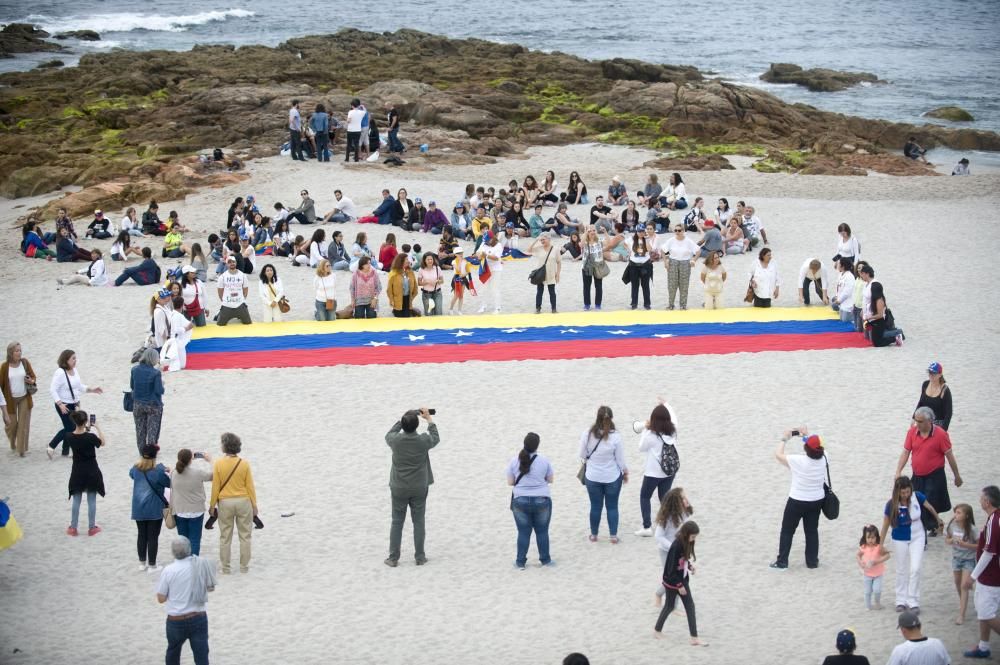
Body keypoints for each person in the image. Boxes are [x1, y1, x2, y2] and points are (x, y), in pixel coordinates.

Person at [384, 408, 440, 567]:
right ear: (416, 426)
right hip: (419, 486)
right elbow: (436, 437)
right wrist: (428, 419)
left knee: (397, 521)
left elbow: (389, 433)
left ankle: (393, 557)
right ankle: (420, 557)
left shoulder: (395, 440)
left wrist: (403, 418)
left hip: (399, 486)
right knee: (419, 521)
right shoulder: (423, 441)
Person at [879, 476, 944, 613]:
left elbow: (930, 507)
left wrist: (938, 519)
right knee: (901, 569)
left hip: (918, 536)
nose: (906, 495)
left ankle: (913, 600)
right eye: (903, 493)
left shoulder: (917, 496)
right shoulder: (891, 504)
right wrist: (881, 544)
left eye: (908, 491)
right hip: (899, 537)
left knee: (915, 568)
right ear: (897, 492)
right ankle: (900, 600)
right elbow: (885, 525)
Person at [896, 406, 962, 536]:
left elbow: (949, 455)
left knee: (929, 501)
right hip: (917, 474)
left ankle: (928, 527)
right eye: (916, 420)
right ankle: (934, 524)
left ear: (930, 421)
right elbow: (905, 452)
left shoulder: (941, 435)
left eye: (920, 421)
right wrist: (898, 470)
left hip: (935, 474)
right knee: (915, 500)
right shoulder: (912, 433)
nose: (917, 424)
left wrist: (957, 475)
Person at [771, 430, 827, 570]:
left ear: (806, 449)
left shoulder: (798, 460)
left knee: (787, 531)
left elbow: (778, 455)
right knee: (812, 531)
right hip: (816, 501)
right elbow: (813, 446)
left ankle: (782, 561)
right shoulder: (825, 457)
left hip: (797, 500)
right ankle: (812, 562)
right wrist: (803, 436)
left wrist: (785, 438)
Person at [156, 536, 216, 665]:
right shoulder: (200, 564)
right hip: (198, 617)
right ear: (189, 549)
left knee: (173, 652)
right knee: (201, 655)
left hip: (175, 620)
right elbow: (210, 588)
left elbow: (161, 598)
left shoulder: (168, 570)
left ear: (173, 552)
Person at [208, 432, 258, 575]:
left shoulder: (218, 463)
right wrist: (254, 505)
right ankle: (244, 567)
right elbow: (250, 486)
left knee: (225, 536)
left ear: (225, 446)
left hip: (225, 502)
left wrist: (212, 505)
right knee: (245, 536)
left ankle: (226, 567)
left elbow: (216, 486)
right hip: (243, 501)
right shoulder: (244, 464)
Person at [579, 406, 628, 543]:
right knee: (612, 506)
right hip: (612, 476)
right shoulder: (616, 437)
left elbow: (582, 454)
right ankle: (613, 536)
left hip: (593, 476)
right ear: (611, 418)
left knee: (595, 506)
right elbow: (620, 460)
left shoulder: (587, 434)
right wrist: (625, 471)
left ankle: (594, 535)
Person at [507, 432, 554, 569]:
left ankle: (520, 562)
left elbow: (510, 482)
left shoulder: (514, 460)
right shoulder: (544, 460)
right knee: (542, 531)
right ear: (537, 446)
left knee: (523, 532)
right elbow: (550, 480)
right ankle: (545, 560)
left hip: (520, 500)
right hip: (541, 499)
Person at [963, 485, 1000, 659]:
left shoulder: (994, 520)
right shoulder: (994, 518)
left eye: (981, 498)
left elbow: (989, 552)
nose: (979, 500)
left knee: (986, 613)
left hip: (991, 575)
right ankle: (983, 647)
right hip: (989, 574)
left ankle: (984, 647)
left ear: (987, 501)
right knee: (984, 610)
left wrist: (972, 576)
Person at [653, 521, 705, 646]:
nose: (693, 540)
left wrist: (690, 567)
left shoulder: (686, 542)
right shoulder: (676, 546)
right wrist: (679, 586)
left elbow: (682, 561)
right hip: (674, 582)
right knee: (685, 606)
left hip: (680, 580)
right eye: (692, 537)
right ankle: (694, 638)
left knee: (671, 606)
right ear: (686, 534)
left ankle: (657, 630)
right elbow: (671, 569)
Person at [48, 349, 102, 459]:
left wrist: (92, 390)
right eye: (73, 358)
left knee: (70, 427)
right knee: (70, 428)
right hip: (64, 405)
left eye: (75, 358)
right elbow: (53, 389)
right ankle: (51, 446)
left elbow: (79, 386)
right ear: (66, 360)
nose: (75, 360)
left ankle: (65, 451)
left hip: (75, 404)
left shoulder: (74, 370)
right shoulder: (60, 373)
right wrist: (60, 404)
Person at [635, 401, 679, 536]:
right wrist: (667, 404)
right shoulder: (673, 431)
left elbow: (641, 447)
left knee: (645, 496)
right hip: (669, 472)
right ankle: (668, 526)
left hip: (653, 473)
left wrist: (645, 429)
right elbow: (674, 418)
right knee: (664, 498)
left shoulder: (651, 434)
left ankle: (647, 527)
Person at [130, 443, 171, 572]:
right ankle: (152, 564)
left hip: (138, 508)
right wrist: (165, 470)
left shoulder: (136, 469)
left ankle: (142, 562)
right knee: (153, 536)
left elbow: (131, 474)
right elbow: (169, 483)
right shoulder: (158, 472)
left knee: (141, 535)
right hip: (154, 508)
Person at [65, 410, 105, 537]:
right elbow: (102, 442)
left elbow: (79, 435)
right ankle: (91, 527)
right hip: (91, 470)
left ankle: (73, 527)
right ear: (86, 421)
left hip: (77, 471)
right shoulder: (90, 437)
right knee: (91, 499)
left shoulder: (69, 436)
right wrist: (97, 427)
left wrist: (85, 428)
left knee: (76, 500)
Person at [170, 450, 214, 557]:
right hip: (196, 510)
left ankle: (184, 561)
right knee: (195, 540)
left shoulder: (174, 473)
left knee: (183, 540)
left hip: (180, 510)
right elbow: (214, 475)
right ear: (191, 460)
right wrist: (210, 461)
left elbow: (175, 470)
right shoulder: (197, 473)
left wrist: (188, 459)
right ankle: (193, 563)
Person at [1, 342, 36, 458]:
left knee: (23, 425)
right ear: (11, 353)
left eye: (20, 350)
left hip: (24, 397)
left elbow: (33, 376)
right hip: (10, 400)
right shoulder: (4, 367)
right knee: (12, 425)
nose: (19, 353)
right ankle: (12, 443)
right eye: (16, 351)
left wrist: (31, 381)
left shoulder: (25, 363)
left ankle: (21, 450)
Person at [945, 503, 978, 625]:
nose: (956, 515)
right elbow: (946, 540)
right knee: (958, 583)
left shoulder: (972, 529)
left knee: (964, 585)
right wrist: (951, 540)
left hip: (968, 559)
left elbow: (979, 546)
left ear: (967, 515)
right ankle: (963, 602)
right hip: (956, 558)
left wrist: (966, 545)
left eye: (959, 513)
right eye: (955, 512)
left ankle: (961, 614)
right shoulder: (952, 526)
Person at [130, 348, 164, 454]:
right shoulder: (156, 373)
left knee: (140, 431)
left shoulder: (134, 370)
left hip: (138, 404)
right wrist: (162, 383)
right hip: (153, 405)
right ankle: (151, 453)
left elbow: (132, 386)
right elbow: (159, 391)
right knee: (152, 431)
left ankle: (142, 452)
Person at [663, 224, 698, 310]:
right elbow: (662, 250)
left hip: (685, 263)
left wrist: (693, 260)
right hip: (673, 263)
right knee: (672, 285)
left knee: (684, 285)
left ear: (683, 231)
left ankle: (683, 305)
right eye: (675, 230)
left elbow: (698, 251)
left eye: (679, 230)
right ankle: (671, 305)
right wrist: (665, 262)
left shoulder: (688, 241)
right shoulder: (671, 240)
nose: (677, 232)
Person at [856, 524, 890, 610]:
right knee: (867, 591)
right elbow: (857, 555)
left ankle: (877, 603)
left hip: (878, 574)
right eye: (868, 538)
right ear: (865, 538)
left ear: (876, 537)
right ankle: (868, 606)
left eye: (873, 537)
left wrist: (877, 561)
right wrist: (860, 563)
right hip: (867, 574)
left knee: (877, 590)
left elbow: (888, 555)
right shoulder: (863, 547)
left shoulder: (879, 547)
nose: (870, 540)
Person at [528, 233, 561, 314]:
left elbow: (559, 262)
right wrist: (536, 240)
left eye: (544, 239)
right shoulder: (539, 248)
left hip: (551, 273)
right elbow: (529, 250)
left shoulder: (555, 249)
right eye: (541, 240)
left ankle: (554, 309)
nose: (542, 241)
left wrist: (558, 274)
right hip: (541, 273)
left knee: (552, 292)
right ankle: (538, 308)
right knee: (539, 292)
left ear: (549, 239)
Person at [915, 362, 952, 430]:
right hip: (924, 422)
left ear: (940, 374)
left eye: (933, 373)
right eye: (929, 372)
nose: (931, 375)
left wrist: (943, 430)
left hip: (938, 425)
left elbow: (948, 413)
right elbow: (920, 403)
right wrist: (914, 418)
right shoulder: (925, 384)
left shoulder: (945, 390)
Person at [216, 256, 251, 325]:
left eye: (233, 262)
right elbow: (220, 291)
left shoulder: (243, 275)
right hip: (227, 304)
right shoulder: (222, 277)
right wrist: (224, 300)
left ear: (236, 263)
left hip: (240, 304)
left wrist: (242, 299)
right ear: (226, 264)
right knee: (220, 324)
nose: (232, 263)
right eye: (229, 262)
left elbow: (245, 289)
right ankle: (220, 313)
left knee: (248, 322)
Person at [477, 233, 504, 314]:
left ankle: (497, 307)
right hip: (485, 268)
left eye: (488, 240)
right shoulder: (484, 243)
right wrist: (479, 256)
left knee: (495, 288)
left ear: (492, 238)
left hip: (496, 269)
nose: (486, 242)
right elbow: (478, 252)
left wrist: (486, 256)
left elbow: (496, 258)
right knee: (484, 288)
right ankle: (483, 306)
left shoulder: (499, 246)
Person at [580, 226, 606, 311]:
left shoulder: (599, 240)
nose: (592, 232)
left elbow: (609, 243)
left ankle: (598, 304)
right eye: (590, 231)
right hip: (586, 266)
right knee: (586, 287)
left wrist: (605, 232)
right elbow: (581, 244)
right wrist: (585, 232)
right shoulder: (585, 240)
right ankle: (587, 304)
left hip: (598, 266)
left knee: (598, 286)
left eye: (594, 230)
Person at [625, 233, 653, 310]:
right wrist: (629, 251)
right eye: (639, 231)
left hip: (645, 264)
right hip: (634, 265)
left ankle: (647, 304)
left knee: (645, 285)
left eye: (642, 231)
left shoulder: (647, 239)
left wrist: (646, 239)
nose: (641, 233)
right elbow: (624, 243)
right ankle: (634, 304)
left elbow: (650, 249)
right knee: (634, 285)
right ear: (637, 232)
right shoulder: (631, 239)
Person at [831, 257, 855, 322]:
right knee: (842, 320)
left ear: (843, 266)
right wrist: (836, 296)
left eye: (838, 264)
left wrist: (839, 300)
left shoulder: (849, 276)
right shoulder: (840, 274)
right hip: (842, 303)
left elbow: (847, 292)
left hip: (848, 304)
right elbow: (838, 287)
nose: (837, 265)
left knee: (846, 321)